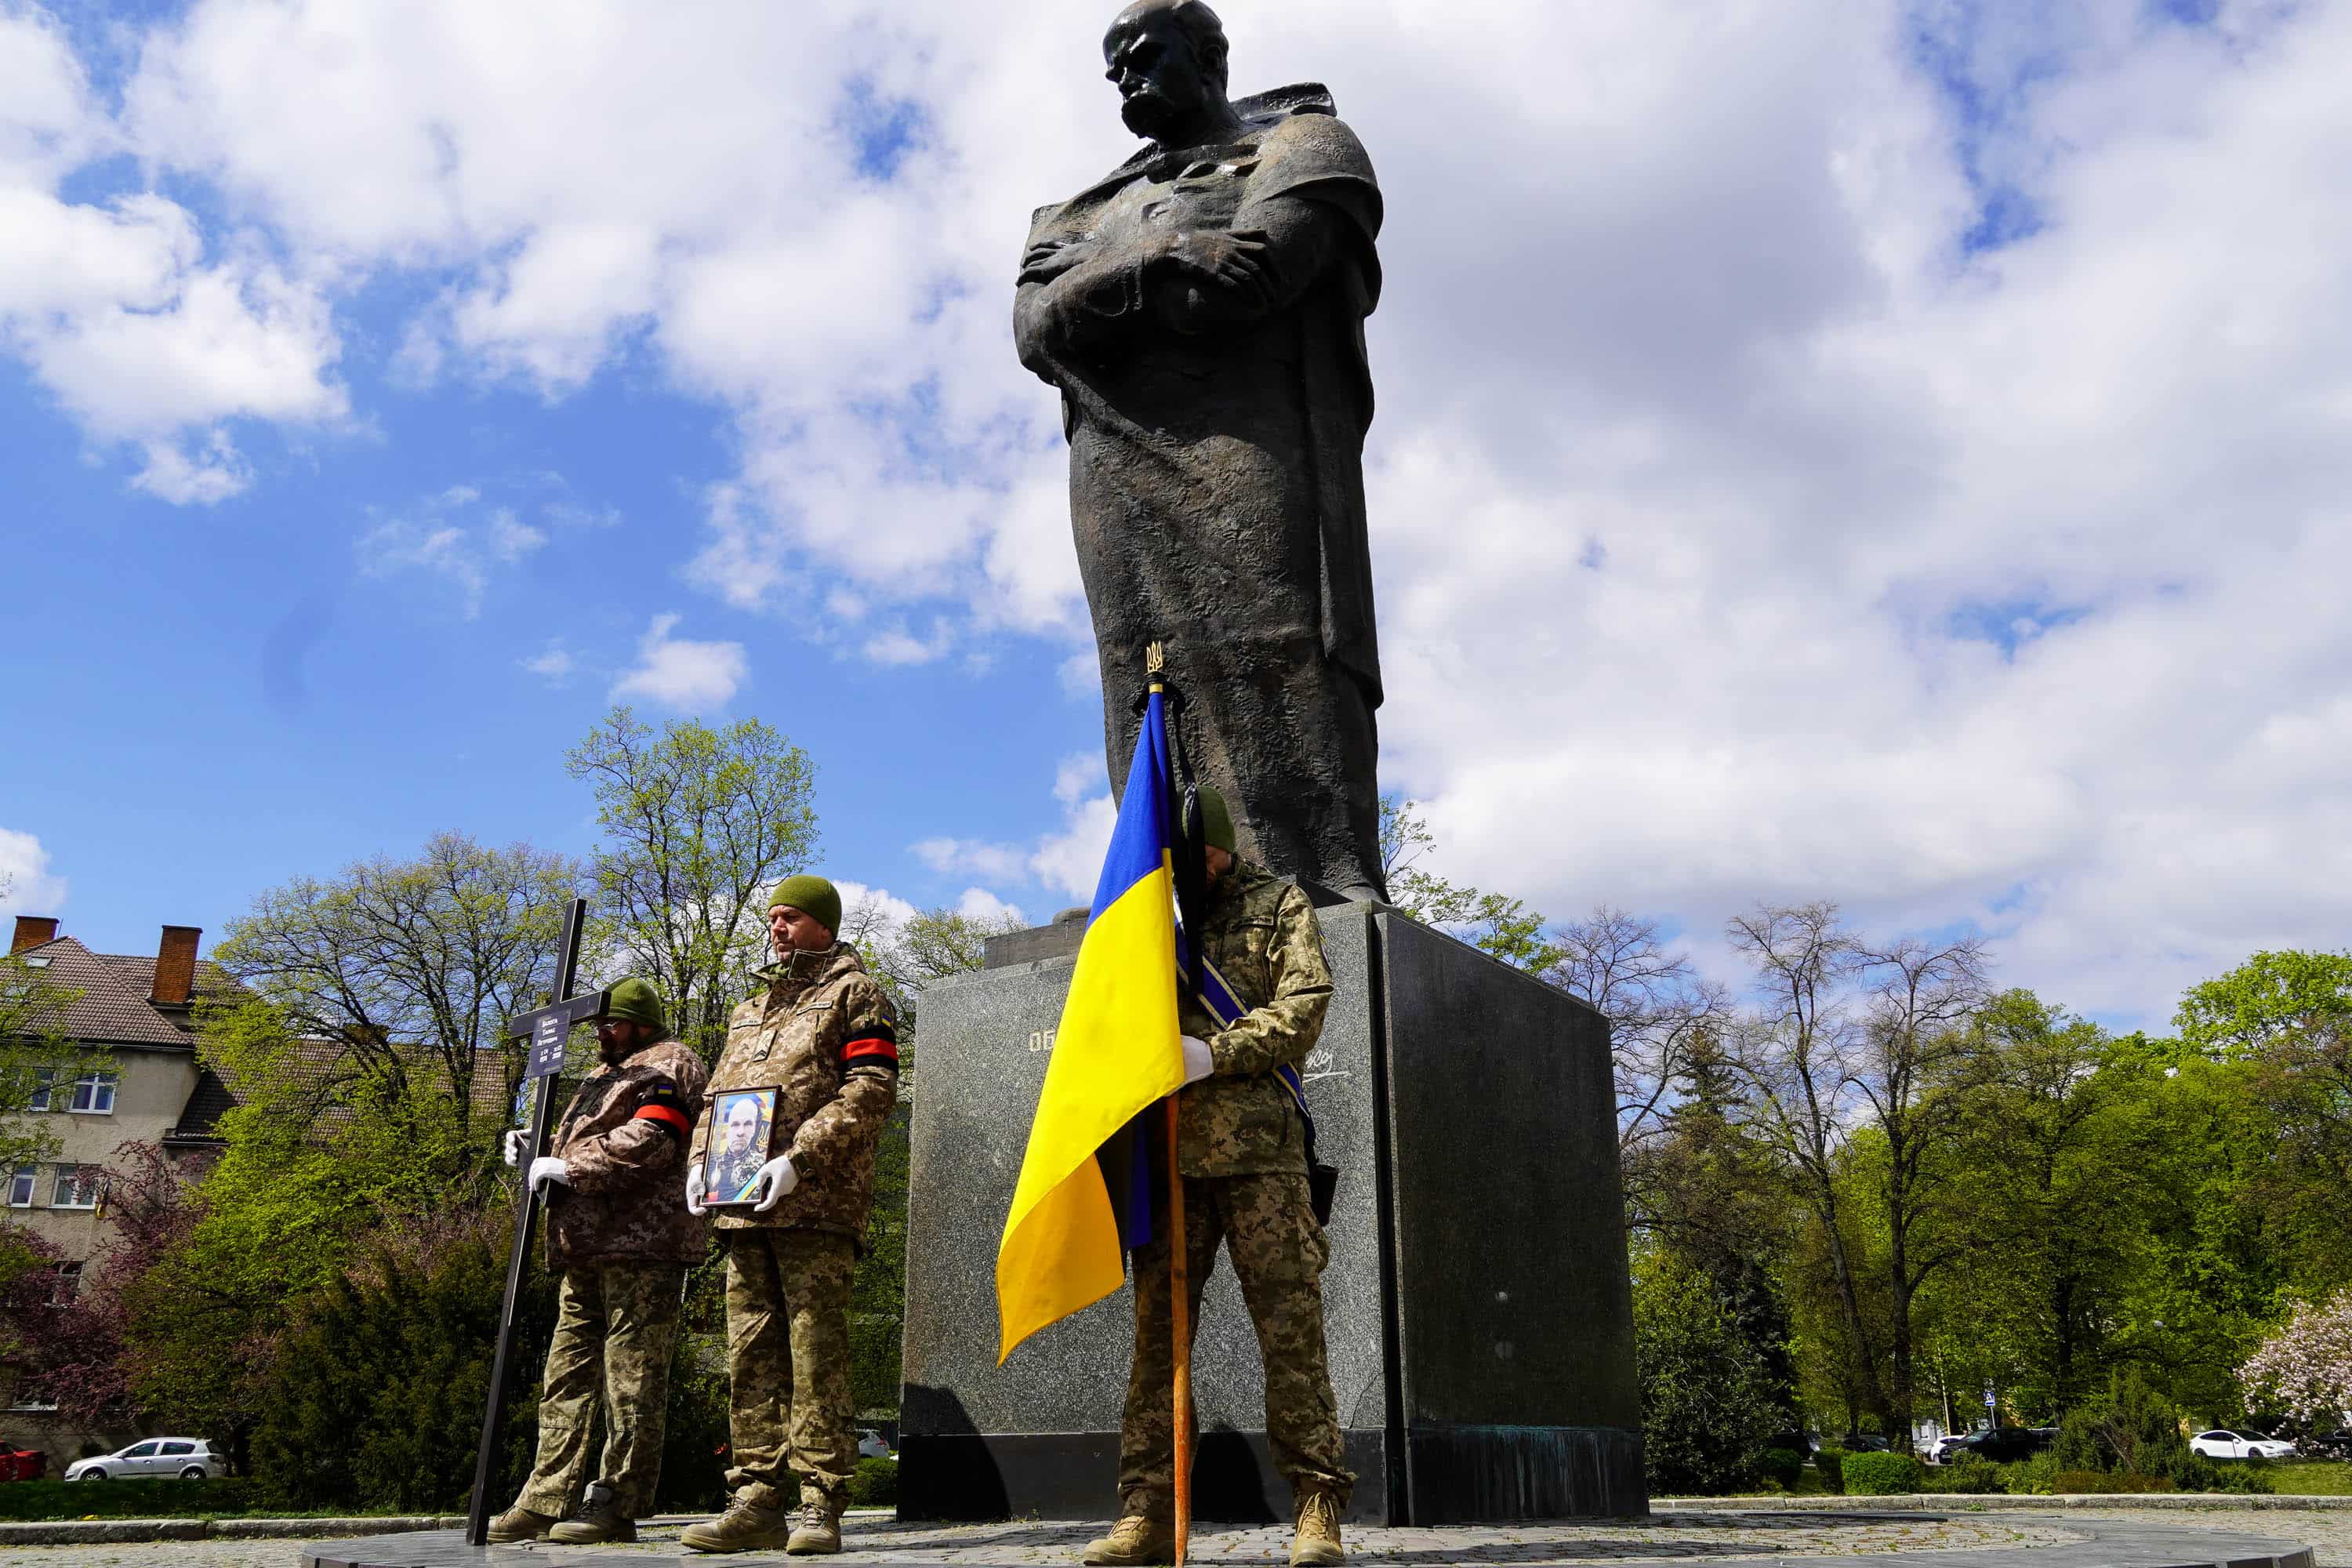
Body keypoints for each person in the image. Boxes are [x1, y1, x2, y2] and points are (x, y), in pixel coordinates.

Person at [1015, 0, 1389, 902]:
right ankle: (1160, 880)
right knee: (1139, 668)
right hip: (1114, 463)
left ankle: (1309, 880)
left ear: (1209, 57)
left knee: (1277, 642)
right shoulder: (1077, 207)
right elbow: (1036, 331)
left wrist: (1099, 292)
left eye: (1144, 59)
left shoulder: (1305, 146)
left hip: (1251, 440)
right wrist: (1166, 256)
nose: (1126, 83)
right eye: (1114, 72)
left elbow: (1254, 279)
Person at [1085, 787, 1350, 1567]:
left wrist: (1217, 1051)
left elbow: (1306, 1003)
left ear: (1225, 847)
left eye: (1199, 856)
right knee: (1155, 1349)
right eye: (1177, 861)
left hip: (1264, 1159)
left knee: (1291, 1337)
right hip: (1170, 1166)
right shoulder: (1148, 923)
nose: (1189, 872)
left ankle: (1317, 1503)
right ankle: (1145, 1510)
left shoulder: (1279, 904)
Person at [680, 875, 902, 1555]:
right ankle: (754, 1498)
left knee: (816, 1352)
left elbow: (872, 1087)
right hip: (741, 1208)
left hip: (816, 1204)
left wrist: (800, 1158)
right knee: (750, 1355)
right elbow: (718, 1098)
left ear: (824, 926)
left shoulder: (855, 994)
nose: (777, 928)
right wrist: (698, 1162)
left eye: (792, 918)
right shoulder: (749, 1010)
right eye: (772, 918)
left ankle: (819, 1503)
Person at [486, 978, 707, 1545]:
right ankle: (544, 1497)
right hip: (582, 1246)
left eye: (612, 1023)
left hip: (642, 1245)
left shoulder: (670, 1063)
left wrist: (569, 1167)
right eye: (599, 1025)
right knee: (565, 1377)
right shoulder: (600, 1076)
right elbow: (583, 1139)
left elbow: (654, 1136)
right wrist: (535, 1149)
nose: (603, 1033)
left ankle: (616, 1500)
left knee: (632, 1378)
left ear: (640, 1022)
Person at [706, 1093, 773, 1206]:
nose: (741, 1132)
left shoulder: (762, 1165)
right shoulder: (713, 1164)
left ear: (754, 1129)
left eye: (748, 1124)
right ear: (727, 1130)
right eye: (735, 1125)